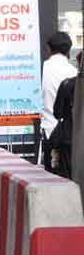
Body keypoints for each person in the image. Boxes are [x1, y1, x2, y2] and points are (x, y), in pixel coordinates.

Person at [41, 32, 77, 168]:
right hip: (69, 134)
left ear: (49, 49)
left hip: (48, 130)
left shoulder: (43, 69)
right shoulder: (74, 73)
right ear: (68, 51)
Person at [48, 52, 80, 178]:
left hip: (69, 138)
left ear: (78, 64)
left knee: (69, 177)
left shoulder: (67, 84)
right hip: (71, 138)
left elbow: (57, 113)